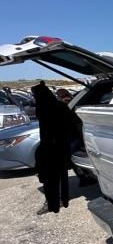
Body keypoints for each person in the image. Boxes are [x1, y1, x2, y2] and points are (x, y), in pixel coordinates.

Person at [32, 82, 74, 214]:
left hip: (57, 147)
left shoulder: (57, 107)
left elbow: (70, 127)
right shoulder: (44, 108)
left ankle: (57, 200)